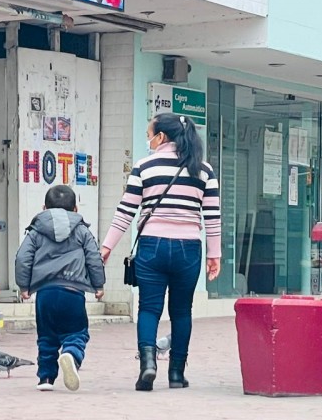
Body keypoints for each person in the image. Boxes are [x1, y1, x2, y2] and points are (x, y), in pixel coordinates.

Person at [100, 113, 221, 391]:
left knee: (149, 308)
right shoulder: (203, 170)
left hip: (152, 245)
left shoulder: (144, 167)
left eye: (149, 134)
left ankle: (148, 365)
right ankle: (176, 374)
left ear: (161, 137)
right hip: (189, 248)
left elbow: (125, 212)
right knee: (181, 312)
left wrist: (107, 247)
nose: (148, 140)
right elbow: (213, 217)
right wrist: (214, 255)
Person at [15, 185, 106, 392]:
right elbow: (94, 258)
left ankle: (46, 378)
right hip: (73, 293)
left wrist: (24, 287)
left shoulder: (36, 231)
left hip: (45, 294)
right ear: (76, 209)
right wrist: (98, 285)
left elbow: (23, 258)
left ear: (44, 207)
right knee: (77, 332)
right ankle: (71, 355)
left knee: (46, 336)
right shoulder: (82, 231)